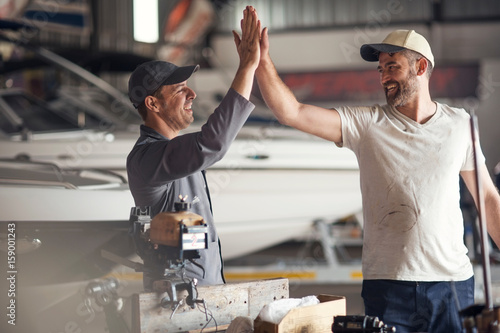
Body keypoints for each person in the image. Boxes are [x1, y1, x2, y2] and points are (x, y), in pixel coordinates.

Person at [254, 24, 500, 332]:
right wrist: (261, 61)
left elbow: (488, 198)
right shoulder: (367, 123)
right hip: (388, 286)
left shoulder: (460, 124)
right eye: (381, 69)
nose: (384, 77)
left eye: (392, 67)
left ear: (420, 67)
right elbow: (294, 112)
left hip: (451, 285)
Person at [126, 6, 261, 288]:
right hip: (177, 307)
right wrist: (247, 67)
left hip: (203, 299)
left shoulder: (174, 152)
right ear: (152, 104)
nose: (192, 94)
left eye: (188, 86)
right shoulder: (147, 158)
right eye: (179, 89)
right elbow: (212, 143)